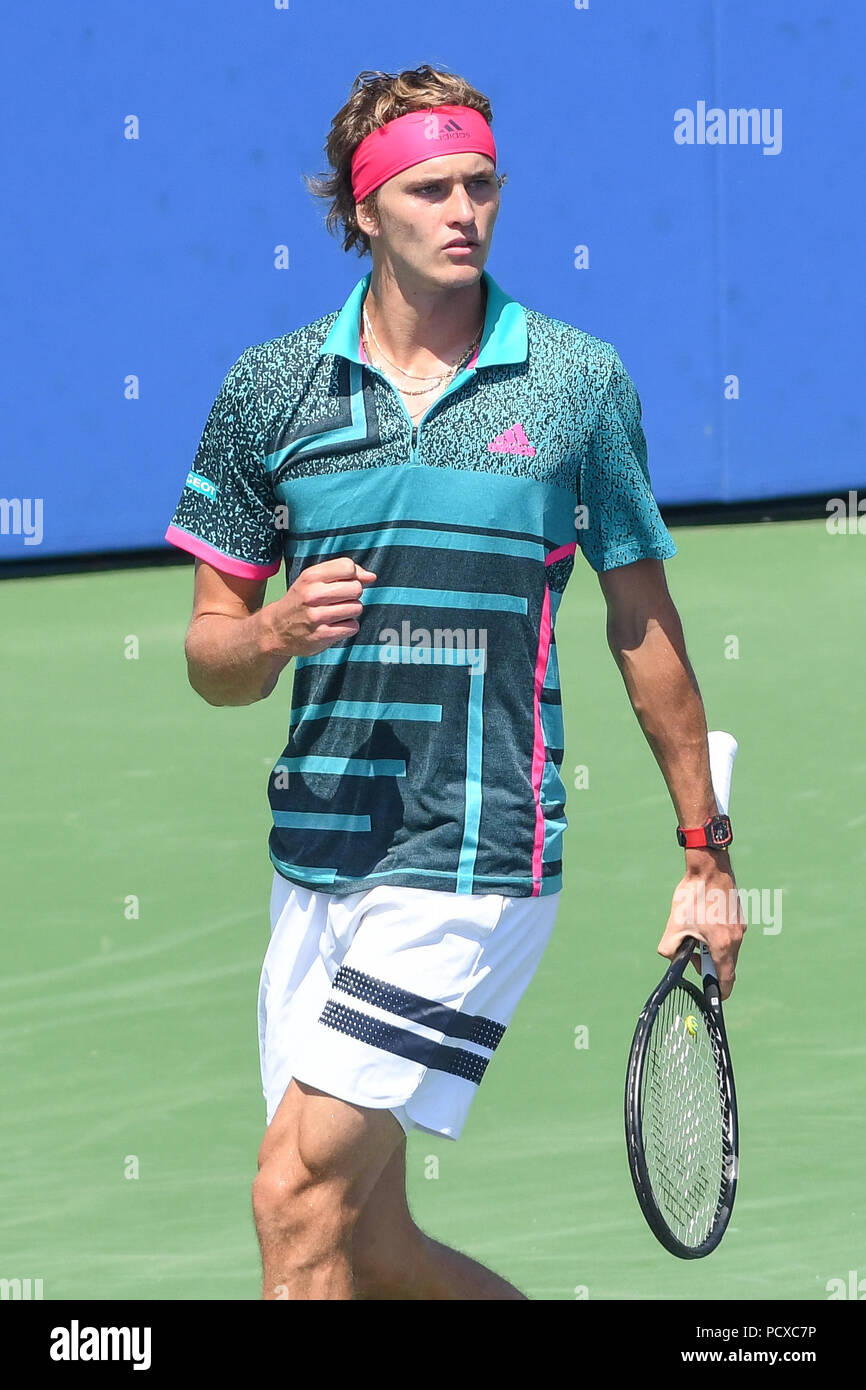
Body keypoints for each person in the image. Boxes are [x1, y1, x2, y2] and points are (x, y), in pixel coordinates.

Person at [165, 63, 745, 1301]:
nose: (463, 209)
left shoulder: (575, 384)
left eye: (481, 182)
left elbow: (642, 624)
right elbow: (211, 658)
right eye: (429, 187)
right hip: (314, 857)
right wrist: (268, 636)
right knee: (370, 1247)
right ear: (362, 211)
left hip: (475, 856)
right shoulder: (269, 390)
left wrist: (706, 853)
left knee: (293, 1198)